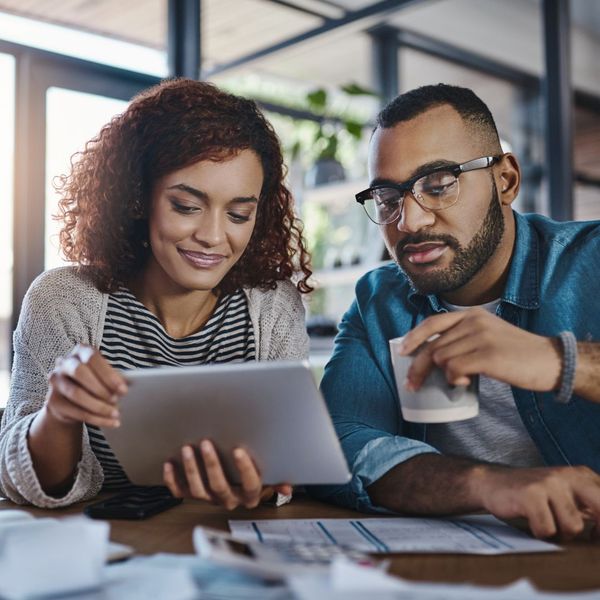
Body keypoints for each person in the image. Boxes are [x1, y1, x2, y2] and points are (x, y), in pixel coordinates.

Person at [0, 78, 312, 510]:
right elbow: (28, 483)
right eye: (186, 206)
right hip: (100, 548)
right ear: (137, 197)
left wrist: (266, 480)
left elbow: (284, 466)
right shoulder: (64, 300)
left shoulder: (274, 307)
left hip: (222, 541)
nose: (213, 236)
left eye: (240, 213)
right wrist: (58, 416)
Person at [309, 84, 600, 540]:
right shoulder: (379, 301)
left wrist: (559, 361)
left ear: (505, 181)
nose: (411, 221)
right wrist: (488, 486)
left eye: (439, 185)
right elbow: (339, 441)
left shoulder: (591, 261)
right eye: (388, 198)